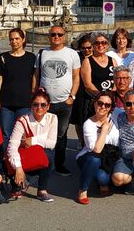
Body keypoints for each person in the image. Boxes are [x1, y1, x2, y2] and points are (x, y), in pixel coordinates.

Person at [32, 25, 81, 176]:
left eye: (59, 34)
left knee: (61, 135)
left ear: (64, 36)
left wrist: (72, 96)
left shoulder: (72, 54)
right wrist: (34, 94)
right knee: (40, 132)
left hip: (64, 103)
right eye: (53, 34)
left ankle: (59, 164)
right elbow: (36, 75)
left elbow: (76, 77)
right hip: (44, 103)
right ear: (49, 36)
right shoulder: (42, 53)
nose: (56, 37)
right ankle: (39, 163)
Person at [0, 29, 36, 170]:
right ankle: (6, 163)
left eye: (17, 38)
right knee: (5, 134)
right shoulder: (4, 57)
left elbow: (34, 77)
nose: (14, 41)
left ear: (23, 40)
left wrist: (33, 95)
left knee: (21, 134)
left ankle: (19, 163)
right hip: (6, 102)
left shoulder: (31, 57)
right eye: (11, 39)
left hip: (24, 102)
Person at [6, 90, 58, 202]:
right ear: (31, 106)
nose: (39, 107)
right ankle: (21, 178)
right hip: (24, 156)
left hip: (39, 157)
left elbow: (52, 143)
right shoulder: (22, 121)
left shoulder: (53, 118)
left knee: (48, 155)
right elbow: (12, 146)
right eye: (35, 104)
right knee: (15, 191)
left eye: (43, 104)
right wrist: (18, 169)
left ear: (48, 106)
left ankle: (42, 190)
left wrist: (33, 140)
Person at [76, 91, 119, 204]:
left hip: (109, 157)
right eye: (100, 103)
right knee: (95, 163)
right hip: (89, 157)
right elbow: (97, 150)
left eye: (107, 105)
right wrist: (104, 130)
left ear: (111, 108)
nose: (103, 107)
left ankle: (99, 179)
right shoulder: (88, 124)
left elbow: (132, 111)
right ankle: (83, 189)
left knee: (104, 179)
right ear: (94, 104)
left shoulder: (116, 115)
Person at [75, 33, 115, 147]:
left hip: (109, 102)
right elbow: (87, 84)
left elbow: (116, 80)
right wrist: (101, 98)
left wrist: (110, 97)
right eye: (97, 43)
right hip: (93, 102)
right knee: (93, 131)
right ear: (93, 45)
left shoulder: (113, 61)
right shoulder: (88, 61)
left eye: (103, 43)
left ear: (107, 45)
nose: (100, 45)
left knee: (108, 130)